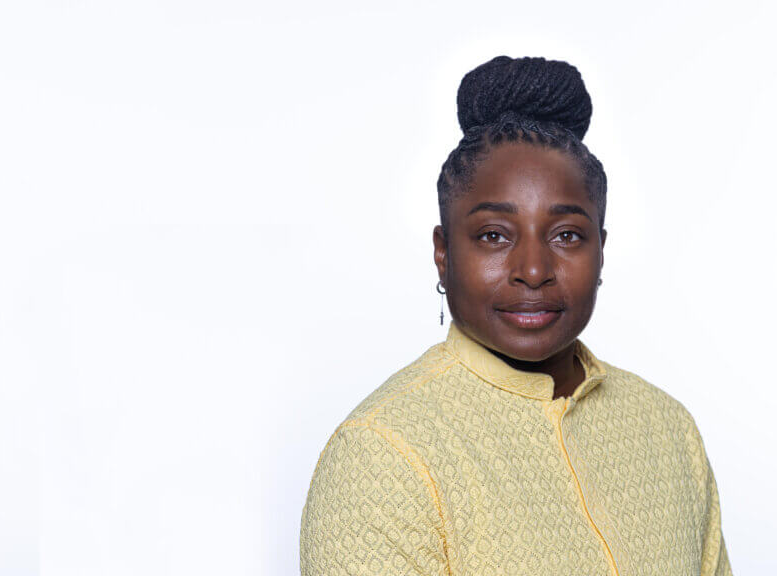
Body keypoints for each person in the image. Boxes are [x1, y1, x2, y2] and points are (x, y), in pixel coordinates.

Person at [299, 55, 732, 576]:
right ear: (443, 253)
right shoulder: (382, 455)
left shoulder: (667, 429)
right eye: (494, 236)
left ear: (601, 250)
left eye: (567, 235)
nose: (533, 269)